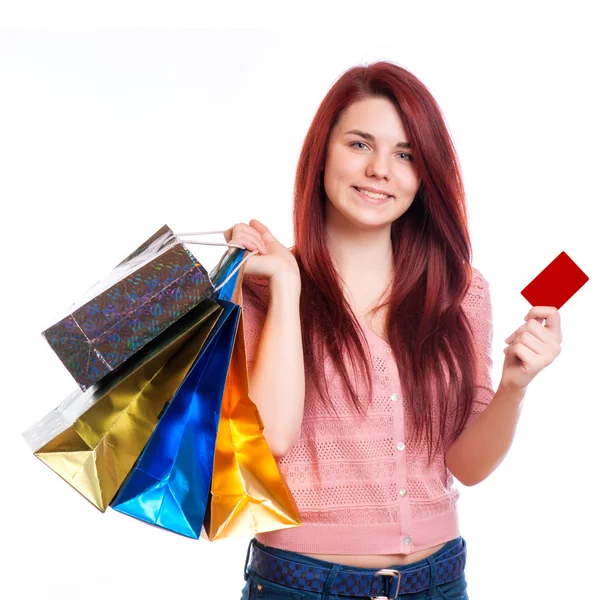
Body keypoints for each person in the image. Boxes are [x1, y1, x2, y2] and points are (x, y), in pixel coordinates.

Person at [225, 61, 562, 600]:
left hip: (440, 581)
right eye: (360, 144)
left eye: (405, 155)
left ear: (424, 175)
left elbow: (466, 467)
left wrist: (514, 386)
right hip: (299, 585)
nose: (381, 169)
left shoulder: (461, 291)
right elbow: (269, 439)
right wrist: (289, 290)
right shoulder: (262, 285)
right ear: (322, 154)